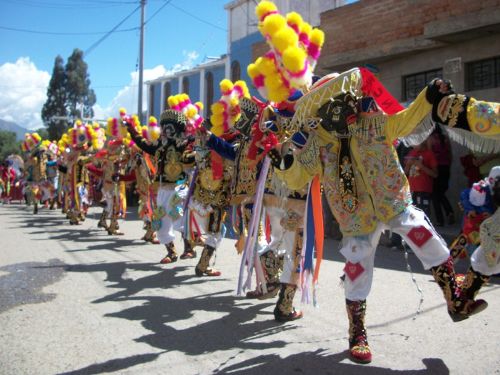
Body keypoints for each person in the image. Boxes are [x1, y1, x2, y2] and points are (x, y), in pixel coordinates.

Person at [269, 70, 490, 364]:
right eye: (329, 103)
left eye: (342, 98)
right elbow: (298, 178)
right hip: (355, 217)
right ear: (320, 111)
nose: (339, 105)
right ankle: (357, 331)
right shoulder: (318, 144)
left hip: (393, 201)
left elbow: (407, 120)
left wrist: (429, 96)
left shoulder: (373, 122)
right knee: (358, 269)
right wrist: (284, 164)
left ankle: (455, 298)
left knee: (423, 233)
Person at [404, 139, 438, 218]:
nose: (413, 146)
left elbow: (435, 174)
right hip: (412, 189)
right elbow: (405, 173)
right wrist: (408, 165)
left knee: (423, 213)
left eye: (415, 143)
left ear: (422, 141)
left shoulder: (429, 154)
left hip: (424, 189)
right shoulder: (412, 153)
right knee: (412, 214)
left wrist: (421, 166)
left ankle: (424, 229)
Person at [430, 126, 455, 225]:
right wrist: (448, 166)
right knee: (440, 193)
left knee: (435, 194)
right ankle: (449, 212)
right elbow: (450, 155)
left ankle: (440, 220)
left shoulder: (431, 139)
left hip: (436, 168)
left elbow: (430, 154)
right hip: (445, 168)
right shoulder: (445, 138)